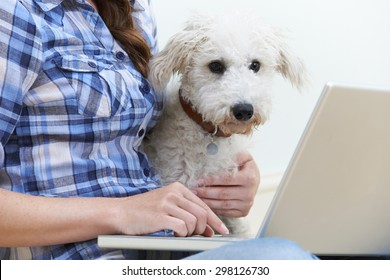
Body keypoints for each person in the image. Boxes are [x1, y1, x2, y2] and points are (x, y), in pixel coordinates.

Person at [0, 0, 316, 260]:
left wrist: (236, 175)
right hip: (86, 258)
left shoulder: (134, 10)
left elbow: (144, 131)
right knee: (288, 259)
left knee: (340, 255)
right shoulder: (17, 12)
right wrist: (122, 212)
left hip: (166, 244)